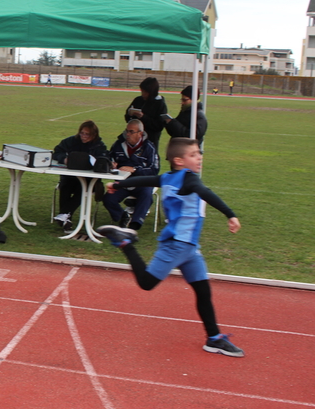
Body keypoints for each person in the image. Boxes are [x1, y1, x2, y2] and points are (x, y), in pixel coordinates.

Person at [96, 137, 244, 358]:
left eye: (198, 153)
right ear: (179, 161)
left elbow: (146, 180)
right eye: (193, 154)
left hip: (189, 249)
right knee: (146, 283)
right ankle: (125, 243)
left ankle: (214, 338)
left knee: (203, 291)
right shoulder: (190, 181)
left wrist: (119, 184)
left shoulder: (168, 178)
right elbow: (208, 194)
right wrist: (231, 215)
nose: (199, 157)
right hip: (177, 245)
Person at [52, 120, 108, 232]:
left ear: (94, 135)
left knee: (82, 189)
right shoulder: (71, 141)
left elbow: (104, 160)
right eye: (82, 133)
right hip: (70, 177)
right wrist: (64, 159)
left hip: (89, 180)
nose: (83, 136)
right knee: (65, 187)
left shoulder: (99, 146)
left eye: (87, 134)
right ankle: (66, 219)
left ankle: (64, 215)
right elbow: (56, 152)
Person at [102, 119, 159, 230]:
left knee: (146, 195)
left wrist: (135, 169)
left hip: (142, 183)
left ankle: (135, 224)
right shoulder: (119, 144)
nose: (127, 134)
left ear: (140, 134)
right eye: (126, 131)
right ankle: (123, 217)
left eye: (131, 132)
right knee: (108, 198)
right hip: (122, 183)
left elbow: (154, 170)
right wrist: (111, 163)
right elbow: (109, 157)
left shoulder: (149, 147)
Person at [125, 77, 168, 153]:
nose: (143, 94)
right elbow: (127, 117)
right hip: (134, 140)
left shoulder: (160, 104)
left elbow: (158, 126)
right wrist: (130, 114)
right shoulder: (138, 100)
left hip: (150, 141)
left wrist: (143, 117)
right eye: (142, 91)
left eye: (145, 92)